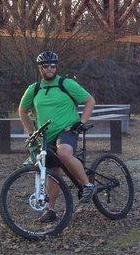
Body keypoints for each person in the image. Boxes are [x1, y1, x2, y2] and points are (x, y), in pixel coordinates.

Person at [18, 51, 96, 222]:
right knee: (52, 171)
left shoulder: (66, 84)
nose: (50, 69)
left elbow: (90, 101)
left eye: (53, 66)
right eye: (46, 66)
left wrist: (80, 123)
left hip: (67, 129)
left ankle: (88, 185)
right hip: (45, 136)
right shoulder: (34, 89)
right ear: (40, 68)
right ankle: (50, 209)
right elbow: (22, 110)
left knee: (64, 153)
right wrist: (32, 132)